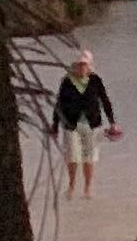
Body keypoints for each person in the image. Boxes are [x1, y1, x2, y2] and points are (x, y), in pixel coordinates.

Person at [51, 47, 122, 195]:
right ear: (74, 65)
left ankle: (87, 188)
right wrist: (55, 126)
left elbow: (104, 100)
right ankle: (71, 186)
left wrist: (112, 122)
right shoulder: (67, 81)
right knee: (72, 156)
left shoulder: (95, 80)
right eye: (79, 64)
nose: (82, 67)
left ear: (90, 65)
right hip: (71, 124)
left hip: (92, 123)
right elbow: (59, 104)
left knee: (89, 158)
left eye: (85, 64)